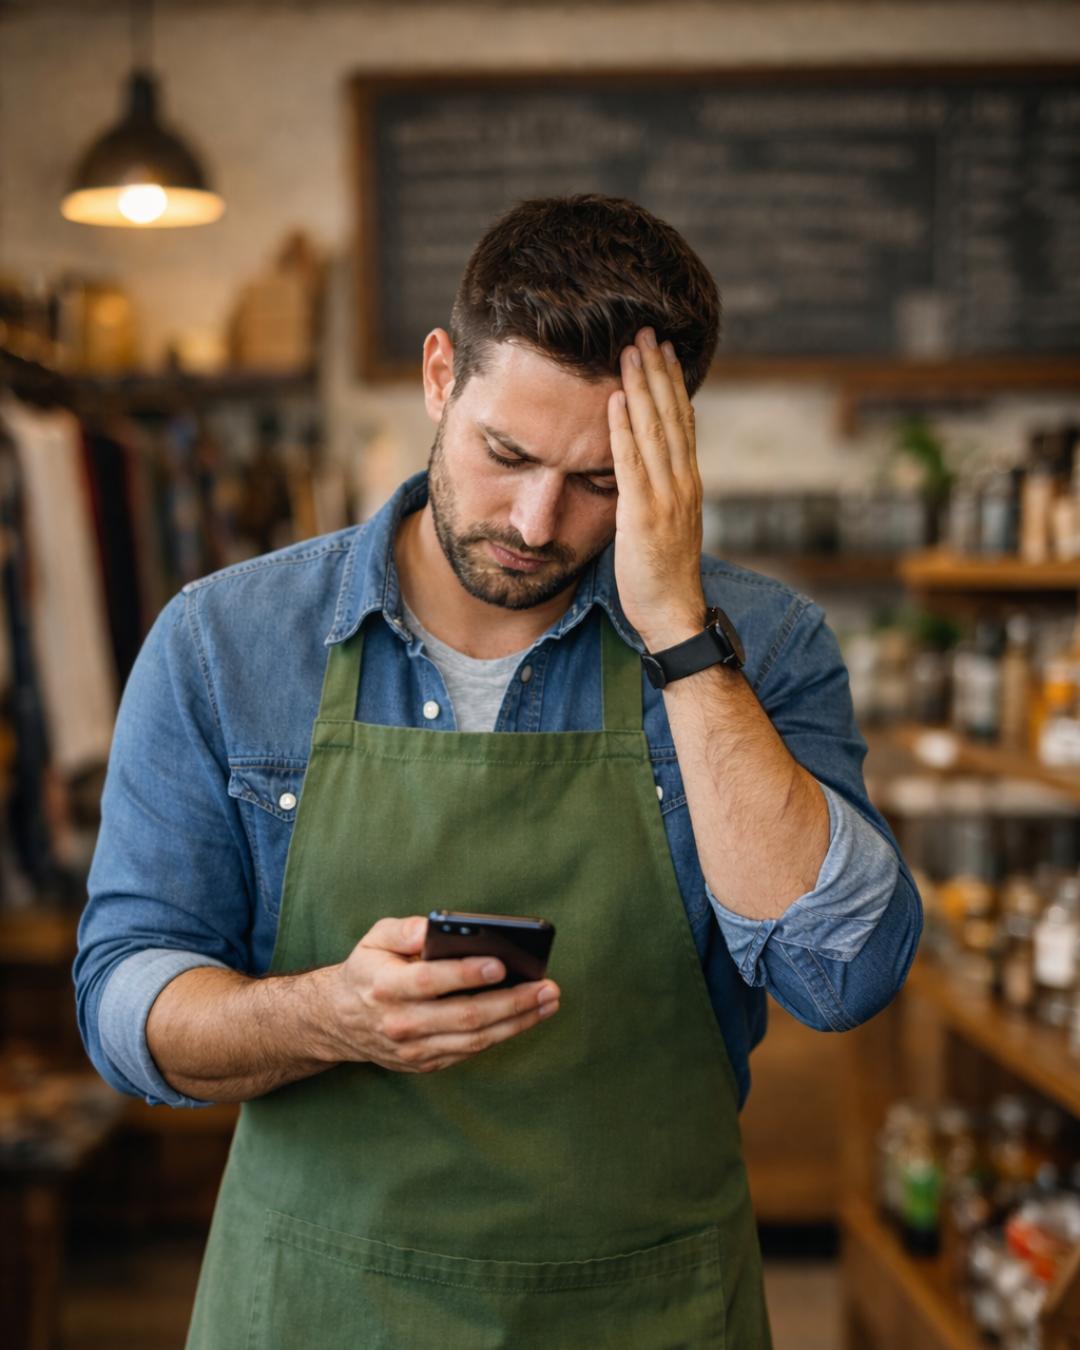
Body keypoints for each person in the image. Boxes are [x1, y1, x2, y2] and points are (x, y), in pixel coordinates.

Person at [75, 193, 921, 1349]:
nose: (535, 519)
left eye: (601, 481)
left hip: (649, 1310)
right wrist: (330, 1015)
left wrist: (677, 636)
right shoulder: (227, 642)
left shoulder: (761, 648)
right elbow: (126, 1001)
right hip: (320, 1306)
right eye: (506, 453)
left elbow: (846, 973)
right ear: (439, 377)